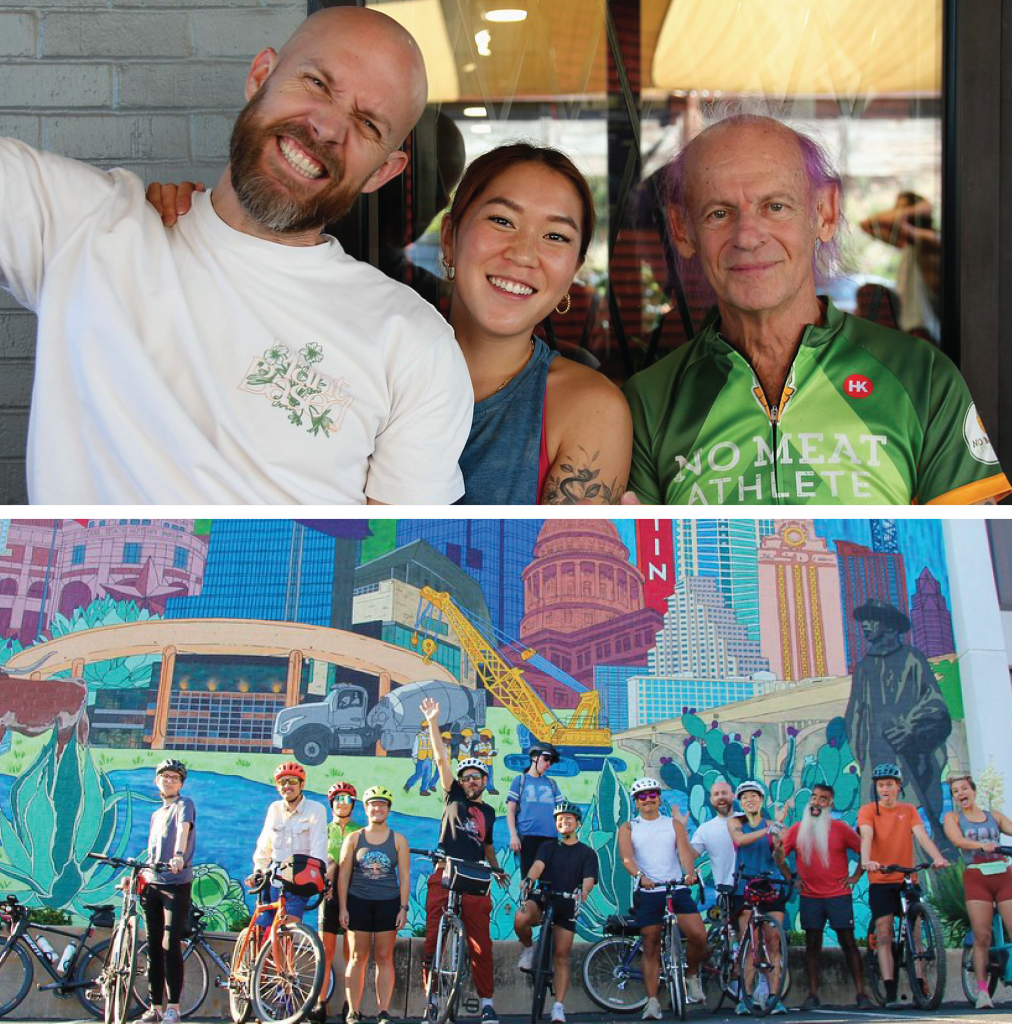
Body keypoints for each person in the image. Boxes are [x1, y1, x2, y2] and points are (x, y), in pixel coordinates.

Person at [0, 6, 472, 504]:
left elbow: (378, 553)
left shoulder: (418, 347)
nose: (329, 126)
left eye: (368, 124)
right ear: (260, 76)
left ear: (383, 172)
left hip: (277, 582)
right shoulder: (88, 225)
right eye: (316, 83)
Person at [622, 112, 1010, 506]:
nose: (748, 237)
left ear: (824, 213)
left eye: (775, 206)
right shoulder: (648, 402)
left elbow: (970, 553)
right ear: (682, 229)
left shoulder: (921, 379)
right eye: (718, 213)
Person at [439, 143, 632, 503]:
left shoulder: (590, 407)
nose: (524, 254)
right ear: (450, 237)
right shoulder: (373, 369)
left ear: (574, 271)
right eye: (502, 221)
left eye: (555, 236)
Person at [419, 697, 508, 1024]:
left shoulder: (488, 811)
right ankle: (431, 1000)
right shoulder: (452, 795)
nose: (471, 781)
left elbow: (487, 846)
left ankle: (487, 1003)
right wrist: (433, 721)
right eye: (467, 776)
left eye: (477, 777)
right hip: (444, 872)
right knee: (432, 941)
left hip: (475, 877)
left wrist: (497, 869)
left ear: (485, 782)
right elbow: (442, 760)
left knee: (481, 944)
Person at [845, 600, 953, 854]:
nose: (865, 626)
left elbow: (936, 706)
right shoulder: (864, 668)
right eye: (864, 621)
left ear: (890, 626)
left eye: (872, 620)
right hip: (876, 761)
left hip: (912, 762)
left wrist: (909, 727)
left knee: (918, 831)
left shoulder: (912, 659)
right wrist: (866, 755)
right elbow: (854, 719)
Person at [858, 763, 949, 1009]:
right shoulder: (868, 811)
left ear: (898, 786)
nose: (884, 789)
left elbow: (921, 836)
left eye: (889, 784)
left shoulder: (908, 810)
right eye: (880, 785)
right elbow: (866, 836)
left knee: (916, 932)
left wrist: (937, 858)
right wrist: (867, 860)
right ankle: (889, 990)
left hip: (906, 877)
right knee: (884, 932)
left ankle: (920, 985)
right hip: (881, 878)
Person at [773, 784, 871, 1009]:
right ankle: (812, 994)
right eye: (814, 798)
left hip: (839, 895)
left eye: (823, 799)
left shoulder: (841, 828)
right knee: (812, 945)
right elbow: (780, 857)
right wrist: (790, 877)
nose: (817, 802)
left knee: (848, 942)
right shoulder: (797, 829)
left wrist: (856, 875)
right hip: (810, 896)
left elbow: (863, 849)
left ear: (830, 804)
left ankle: (862, 994)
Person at [618, 777, 705, 1019]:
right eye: (642, 797)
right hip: (648, 891)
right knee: (651, 944)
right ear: (636, 802)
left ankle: (692, 975)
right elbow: (626, 858)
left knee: (698, 935)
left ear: (659, 798)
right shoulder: (628, 827)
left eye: (652, 795)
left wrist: (689, 873)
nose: (648, 800)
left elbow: (684, 852)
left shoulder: (673, 824)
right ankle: (653, 1001)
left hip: (676, 888)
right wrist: (640, 875)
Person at [514, 801, 598, 1023]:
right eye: (560, 819)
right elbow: (538, 866)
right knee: (521, 918)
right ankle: (530, 949)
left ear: (578, 824)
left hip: (567, 903)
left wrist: (584, 891)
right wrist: (529, 879)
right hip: (542, 898)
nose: (564, 822)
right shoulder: (548, 847)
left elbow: (588, 879)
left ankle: (558, 1007)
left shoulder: (587, 853)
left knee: (561, 956)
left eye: (569, 818)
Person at [337, 786, 410, 1024]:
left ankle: (383, 1011)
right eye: (372, 804)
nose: (377, 809)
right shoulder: (354, 838)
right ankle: (353, 1011)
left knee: (383, 957)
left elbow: (405, 877)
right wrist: (343, 908)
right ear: (366, 808)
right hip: (359, 903)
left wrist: (403, 908)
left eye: (382, 805)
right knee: (358, 957)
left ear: (388, 809)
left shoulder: (398, 839)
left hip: (388, 904)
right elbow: (344, 875)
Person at [942, 774, 1012, 1009]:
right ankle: (983, 992)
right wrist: (981, 845)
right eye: (955, 791)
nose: (960, 794)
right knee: (982, 936)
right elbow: (958, 841)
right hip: (977, 877)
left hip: (1003, 874)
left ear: (973, 791)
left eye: (963, 789)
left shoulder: (995, 816)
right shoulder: (953, 818)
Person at [138, 759, 195, 1024]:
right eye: (164, 776)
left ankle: (173, 1007)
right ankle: (155, 1008)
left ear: (181, 783)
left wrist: (179, 856)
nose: (169, 780)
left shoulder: (185, 805)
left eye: (174, 777)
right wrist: (139, 873)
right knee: (152, 946)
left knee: (169, 943)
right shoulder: (156, 814)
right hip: (153, 883)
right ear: (157, 781)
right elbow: (151, 850)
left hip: (176, 882)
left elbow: (183, 831)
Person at [728, 780, 790, 1015]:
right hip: (745, 887)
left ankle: (775, 997)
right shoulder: (737, 822)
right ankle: (747, 997)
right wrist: (771, 827)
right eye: (744, 797)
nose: (749, 800)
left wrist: (778, 844)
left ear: (762, 800)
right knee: (749, 942)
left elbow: (779, 856)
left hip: (771, 885)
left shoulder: (774, 826)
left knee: (773, 942)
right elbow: (740, 840)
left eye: (754, 796)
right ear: (740, 802)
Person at [249, 762, 328, 928]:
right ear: (277, 787)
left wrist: (320, 874)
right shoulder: (274, 809)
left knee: (289, 925)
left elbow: (319, 845)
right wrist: (258, 869)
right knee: (265, 925)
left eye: (292, 781)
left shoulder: (316, 809)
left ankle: (283, 953)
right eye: (282, 782)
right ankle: (261, 952)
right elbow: (265, 843)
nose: (287, 786)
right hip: (274, 877)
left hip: (300, 877)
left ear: (302, 784)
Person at [315, 781, 362, 1024]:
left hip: (354, 898)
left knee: (351, 953)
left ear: (353, 804)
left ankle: (350, 1005)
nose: (342, 803)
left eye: (347, 799)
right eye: (338, 799)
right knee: (325, 951)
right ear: (331, 803)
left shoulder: (360, 831)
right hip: (328, 897)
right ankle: (319, 1003)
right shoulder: (322, 830)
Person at [507, 742, 563, 883]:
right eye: (546, 759)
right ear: (534, 758)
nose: (548, 764)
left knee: (549, 883)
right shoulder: (520, 781)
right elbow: (511, 811)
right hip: (527, 838)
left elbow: (562, 811)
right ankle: (526, 905)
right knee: (527, 881)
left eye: (551, 761)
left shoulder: (552, 783)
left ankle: (546, 906)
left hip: (550, 839)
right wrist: (513, 835)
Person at [686, 779, 737, 887]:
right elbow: (692, 855)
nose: (720, 797)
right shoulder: (705, 829)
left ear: (733, 796)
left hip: (753, 891)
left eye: (724, 793)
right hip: (724, 892)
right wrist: (681, 832)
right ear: (711, 800)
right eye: (716, 794)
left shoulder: (747, 820)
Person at [405, 726, 436, 797]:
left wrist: (434, 758)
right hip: (421, 758)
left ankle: (424, 790)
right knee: (419, 774)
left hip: (429, 758)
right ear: (425, 728)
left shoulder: (430, 736)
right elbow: (415, 746)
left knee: (428, 774)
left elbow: (432, 747)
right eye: (429, 728)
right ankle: (408, 785)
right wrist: (414, 757)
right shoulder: (419, 736)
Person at [473, 728, 498, 795]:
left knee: (490, 776)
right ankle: (478, 789)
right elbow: (475, 753)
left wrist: (493, 754)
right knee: (480, 776)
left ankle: (491, 789)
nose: (481, 737)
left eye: (483, 736)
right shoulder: (478, 745)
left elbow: (490, 753)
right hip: (481, 764)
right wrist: (482, 754)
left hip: (489, 764)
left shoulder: (490, 745)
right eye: (481, 736)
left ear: (487, 737)